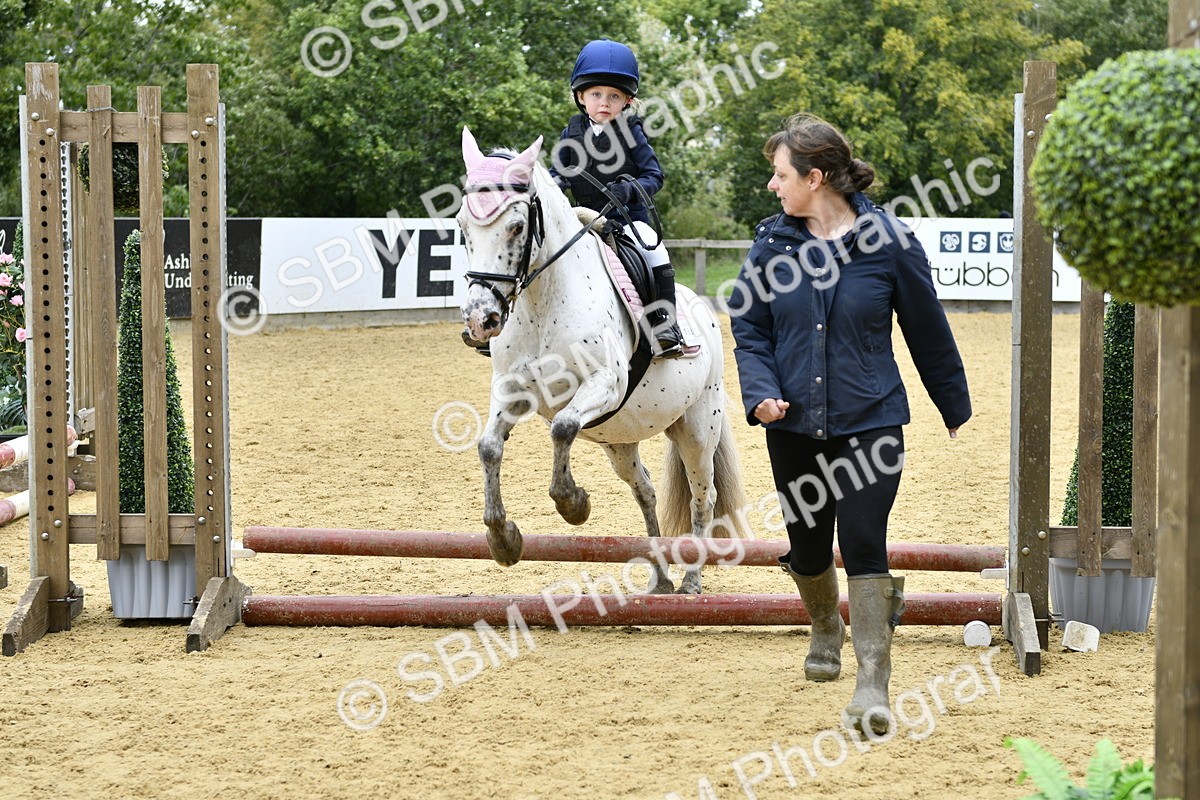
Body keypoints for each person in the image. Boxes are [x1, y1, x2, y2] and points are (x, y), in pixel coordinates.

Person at [728, 113, 972, 734]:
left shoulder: (889, 241)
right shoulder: (771, 244)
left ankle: (871, 686)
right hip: (792, 424)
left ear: (815, 177)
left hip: (872, 420)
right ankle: (823, 621)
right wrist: (760, 393)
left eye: (779, 174)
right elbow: (750, 329)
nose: (771, 185)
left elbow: (926, 325)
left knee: (864, 542)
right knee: (808, 547)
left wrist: (952, 403)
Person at [549, 38, 683, 359]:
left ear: (627, 101)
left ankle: (665, 326)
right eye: (596, 94)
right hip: (583, 221)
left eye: (614, 96)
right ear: (581, 96)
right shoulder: (571, 132)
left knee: (654, 250)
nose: (604, 102)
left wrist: (628, 189)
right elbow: (559, 174)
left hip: (628, 222)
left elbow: (654, 176)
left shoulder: (632, 130)